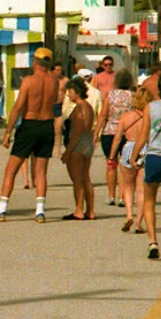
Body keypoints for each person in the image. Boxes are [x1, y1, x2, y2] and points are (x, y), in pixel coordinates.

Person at [0, 47, 58, 222]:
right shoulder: (54, 81)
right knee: (41, 171)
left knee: (11, 169)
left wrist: (8, 131)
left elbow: (19, 106)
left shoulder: (29, 80)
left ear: (35, 62)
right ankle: (40, 211)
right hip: (47, 125)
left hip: (30, 123)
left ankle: (1, 208)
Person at [130, 70, 161, 259]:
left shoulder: (151, 107)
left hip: (154, 157)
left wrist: (133, 156)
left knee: (149, 201)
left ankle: (153, 241)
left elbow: (143, 136)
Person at [110, 87, 153, 234]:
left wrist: (111, 156)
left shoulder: (126, 117)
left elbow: (117, 138)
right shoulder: (151, 117)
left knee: (127, 186)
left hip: (128, 148)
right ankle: (139, 223)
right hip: (144, 149)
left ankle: (129, 214)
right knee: (142, 190)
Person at [95, 68, 133, 207]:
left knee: (111, 163)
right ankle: (123, 196)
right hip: (126, 132)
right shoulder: (133, 96)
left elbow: (103, 115)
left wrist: (96, 133)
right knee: (124, 165)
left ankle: (111, 195)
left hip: (109, 132)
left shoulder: (110, 95)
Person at [60, 78, 95, 220]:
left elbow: (77, 132)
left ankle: (79, 210)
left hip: (78, 144)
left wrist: (67, 152)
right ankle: (90, 211)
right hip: (88, 142)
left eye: (70, 91)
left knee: (77, 180)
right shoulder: (89, 107)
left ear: (77, 92)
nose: (68, 95)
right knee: (86, 177)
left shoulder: (79, 109)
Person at [52, 61, 70, 157]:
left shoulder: (65, 80)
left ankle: (57, 149)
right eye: (57, 70)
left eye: (60, 70)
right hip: (49, 105)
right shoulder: (49, 79)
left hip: (60, 105)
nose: (59, 72)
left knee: (58, 129)